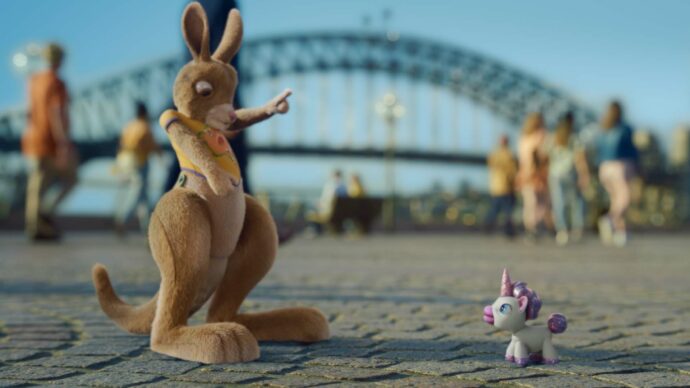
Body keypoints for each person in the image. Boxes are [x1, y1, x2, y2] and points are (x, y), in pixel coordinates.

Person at [21, 43, 77, 241]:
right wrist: (63, 142)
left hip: (32, 137)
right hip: (50, 140)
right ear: (59, 60)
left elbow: (29, 110)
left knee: (36, 183)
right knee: (71, 179)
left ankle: (35, 224)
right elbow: (56, 113)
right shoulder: (56, 83)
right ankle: (44, 216)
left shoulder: (33, 80)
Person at [594, 101, 639, 246]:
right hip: (620, 166)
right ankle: (609, 218)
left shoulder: (603, 128)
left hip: (604, 168)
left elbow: (598, 151)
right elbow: (632, 150)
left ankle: (620, 233)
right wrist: (639, 166)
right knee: (625, 198)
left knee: (616, 200)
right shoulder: (625, 128)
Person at [113, 102, 160, 236]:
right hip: (139, 163)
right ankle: (123, 219)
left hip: (124, 162)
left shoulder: (129, 126)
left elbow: (121, 144)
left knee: (143, 195)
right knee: (138, 192)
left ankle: (147, 227)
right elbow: (151, 145)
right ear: (145, 113)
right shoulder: (145, 126)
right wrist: (160, 155)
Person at [545, 112, 590, 245]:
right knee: (576, 203)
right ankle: (577, 229)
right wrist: (584, 175)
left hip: (555, 174)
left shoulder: (552, 138)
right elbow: (580, 159)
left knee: (558, 203)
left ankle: (562, 231)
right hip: (570, 173)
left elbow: (544, 157)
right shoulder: (575, 138)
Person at [517, 112, 549, 242]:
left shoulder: (523, 138)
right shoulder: (541, 136)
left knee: (530, 203)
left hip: (525, 173)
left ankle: (531, 228)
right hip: (538, 174)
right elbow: (543, 156)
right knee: (541, 203)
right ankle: (534, 227)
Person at [484, 134, 517, 237]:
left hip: (497, 187)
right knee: (507, 211)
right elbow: (513, 171)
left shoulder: (494, 154)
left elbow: (490, 164)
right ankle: (508, 230)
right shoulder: (509, 155)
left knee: (496, 210)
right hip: (505, 187)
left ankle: (488, 226)